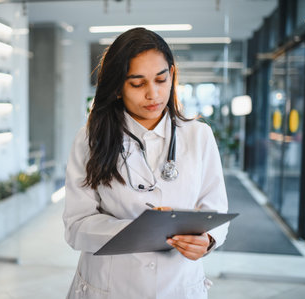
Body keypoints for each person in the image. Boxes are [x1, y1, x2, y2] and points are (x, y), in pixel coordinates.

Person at [63, 27, 229, 299]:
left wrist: (207, 241)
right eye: (138, 83)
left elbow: (216, 209)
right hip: (109, 286)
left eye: (161, 80)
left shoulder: (199, 136)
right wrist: (140, 229)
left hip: (178, 283)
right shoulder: (90, 139)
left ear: (172, 75)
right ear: (117, 87)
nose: (153, 94)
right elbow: (76, 226)